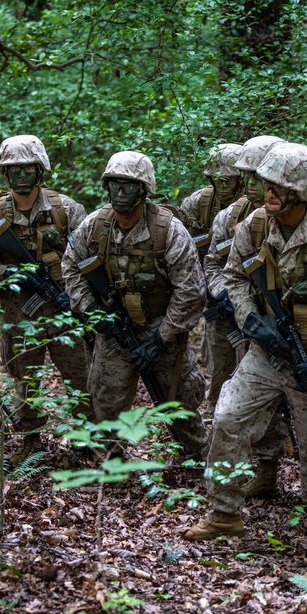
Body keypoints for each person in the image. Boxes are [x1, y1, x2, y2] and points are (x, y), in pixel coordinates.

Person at [183, 142, 307, 541]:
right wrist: (252, 320)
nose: (267, 192)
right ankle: (224, 514)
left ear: (301, 192)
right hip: (267, 351)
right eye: (264, 183)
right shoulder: (253, 226)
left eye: (278, 186)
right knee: (227, 419)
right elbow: (234, 276)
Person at [61, 151, 209, 463]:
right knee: (106, 399)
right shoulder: (94, 226)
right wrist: (90, 310)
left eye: (128, 186)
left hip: (161, 325)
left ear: (143, 190)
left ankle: (196, 459)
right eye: (114, 185)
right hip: (115, 327)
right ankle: (114, 463)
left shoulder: (168, 230)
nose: (119, 192)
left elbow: (191, 291)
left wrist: (161, 339)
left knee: (178, 401)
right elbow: (71, 266)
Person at [0, 135, 91, 466]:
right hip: (18, 315)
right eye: (13, 171)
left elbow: (88, 260)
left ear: (40, 170)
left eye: (27, 169)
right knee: (25, 383)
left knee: (81, 380)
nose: (21, 177)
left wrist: (77, 297)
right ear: (4, 174)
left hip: (65, 312)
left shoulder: (66, 210)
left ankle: (86, 441)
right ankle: (30, 440)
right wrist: (10, 273)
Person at [203, 135, 291, 499]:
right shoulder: (231, 217)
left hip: (281, 326)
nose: (254, 187)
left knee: (284, 404)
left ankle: (270, 468)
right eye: (249, 179)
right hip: (233, 323)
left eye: (259, 178)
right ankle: (231, 479)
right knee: (225, 394)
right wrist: (226, 296)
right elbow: (212, 265)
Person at [179, 143, 244, 410]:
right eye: (217, 179)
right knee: (219, 366)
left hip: (252, 296)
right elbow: (182, 253)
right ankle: (218, 414)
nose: (223, 184)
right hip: (215, 299)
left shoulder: (256, 207)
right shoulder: (198, 204)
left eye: (228, 179)